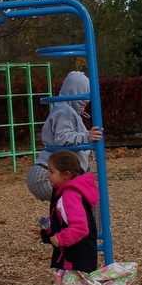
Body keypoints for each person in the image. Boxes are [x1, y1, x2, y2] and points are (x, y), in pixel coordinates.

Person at [39, 150, 137, 285]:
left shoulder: (70, 195)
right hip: (74, 257)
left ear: (66, 175)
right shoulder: (69, 192)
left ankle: (119, 275)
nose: (48, 175)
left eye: (51, 171)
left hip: (75, 258)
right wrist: (47, 233)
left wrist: (61, 238)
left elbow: (80, 227)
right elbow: (63, 221)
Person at [27, 71, 103, 202]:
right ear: (74, 93)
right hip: (46, 175)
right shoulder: (64, 112)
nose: (87, 101)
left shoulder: (69, 111)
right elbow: (63, 138)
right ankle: (59, 222)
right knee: (85, 198)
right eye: (84, 94)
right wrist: (87, 137)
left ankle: (59, 220)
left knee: (84, 198)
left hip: (53, 172)